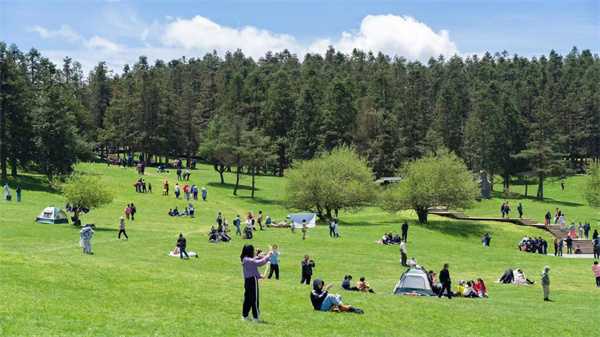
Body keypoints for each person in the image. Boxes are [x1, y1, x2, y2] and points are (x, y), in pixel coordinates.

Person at [240, 244, 270, 322]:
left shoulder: (244, 259)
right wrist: (268, 256)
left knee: (248, 298)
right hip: (252, 281)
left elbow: (251, 270)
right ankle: (256, 317)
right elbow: (259, 263)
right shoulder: (249, 260)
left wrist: (259, 276)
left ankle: (245, 315)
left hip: (247, 280)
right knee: (254, 299)